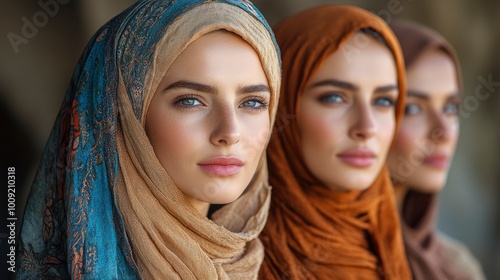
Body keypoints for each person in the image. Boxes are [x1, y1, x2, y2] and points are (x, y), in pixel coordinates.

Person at [16, 0, 281, 278]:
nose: (230, 132)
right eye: (190, 101)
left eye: (252, 102)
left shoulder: (265, 266)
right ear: (125, 118)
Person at [259, 5, 411, 279]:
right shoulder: (230, 259)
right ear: (282, 105)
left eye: (383, 101)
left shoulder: (391, 244)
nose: (366, 128)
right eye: (334, 97)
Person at [387, 19, 486, 280]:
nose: (444, 132)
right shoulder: (308, 255)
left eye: (451, 108)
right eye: (412, 108)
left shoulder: (457, 266)